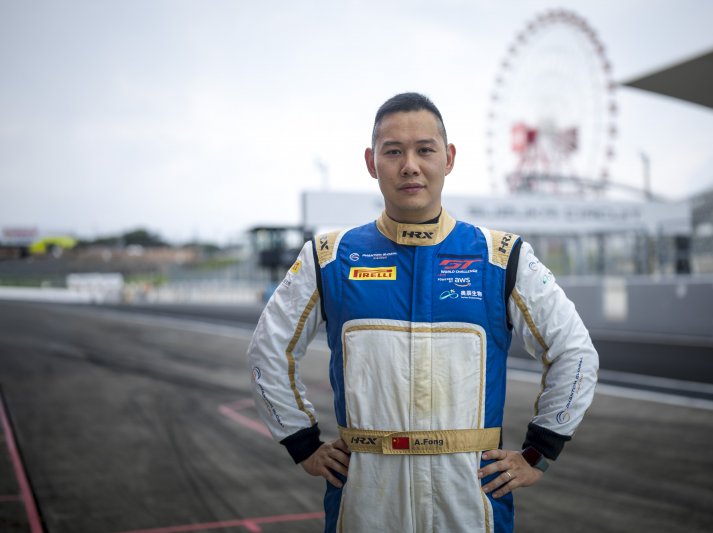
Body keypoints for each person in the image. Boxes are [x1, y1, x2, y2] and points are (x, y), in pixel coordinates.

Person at [247, 92, 598, 532]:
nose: (410, 165)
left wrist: (538, 452)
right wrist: (302, 443)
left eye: (425, 150)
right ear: (371, 163)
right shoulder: (328, 257)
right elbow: (266, 351)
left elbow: (575, 352)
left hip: (469, 503)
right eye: (393, 151)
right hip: (366, 502)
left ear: (448, 158)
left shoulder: (501, 256)